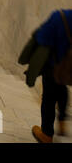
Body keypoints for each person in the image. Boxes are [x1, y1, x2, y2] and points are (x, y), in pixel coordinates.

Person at [31, 9, 71, 143]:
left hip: (54, 64)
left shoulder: (60, 16)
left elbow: (42, 38)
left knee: (49, 96)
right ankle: (62, 121)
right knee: (62, 86)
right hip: (69, 68)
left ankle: (47, 134)